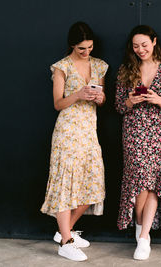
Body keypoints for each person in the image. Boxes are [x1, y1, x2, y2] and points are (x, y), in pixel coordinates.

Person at [40, 21, 108, 261]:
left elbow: (102, 99)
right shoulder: (62, 67)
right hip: (67, 131)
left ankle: (64, 231)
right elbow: (58, 103)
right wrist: (78, 94)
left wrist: (99, 97)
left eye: (89, 47)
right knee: (65, 185)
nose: (86, 52)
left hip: (89, 131)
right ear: (72, 45)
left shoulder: (99, 66)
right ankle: (66, 241)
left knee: (93, 183)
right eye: (81, 48)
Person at [115, 25, 161, 260]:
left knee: (155, 183)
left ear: (154, 42)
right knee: (140, 179)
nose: (140, 49)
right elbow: (119, 107)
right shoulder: (125, 70)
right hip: (134, 132)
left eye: (144, 44)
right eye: (135, 46)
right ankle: (143, 230)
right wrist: (131, 101)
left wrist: (160, 100)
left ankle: (143, 237)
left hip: (160, 132)